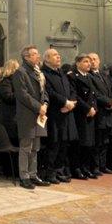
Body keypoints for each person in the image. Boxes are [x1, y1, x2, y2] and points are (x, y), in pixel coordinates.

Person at [13, 46, 49, 189]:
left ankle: (33, 174)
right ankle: (24, 176)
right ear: (26, 57)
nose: (38, 56)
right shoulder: (20, 72)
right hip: (27, 114)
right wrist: (38, 107)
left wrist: (45, 104)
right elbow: (22, 95)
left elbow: (44, 91)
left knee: (35, 147)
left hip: (40, 114)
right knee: (26, 147)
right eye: (35, 54)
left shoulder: (38, 72)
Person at [42, 48, 77, 182]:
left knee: (64, 144)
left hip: (67, 113)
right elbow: (49, 92)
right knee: (54, 145)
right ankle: (49, 173)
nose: (58, 57)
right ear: (47, 59)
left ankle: (59, 171)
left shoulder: (62, 72)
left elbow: (72, 89)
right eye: (55, 55)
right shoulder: (44, 73)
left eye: (58, 55)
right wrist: (64, 102)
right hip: (54, 114)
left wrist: (71, 102)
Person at [88, 53, 112, 174]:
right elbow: (95, 93)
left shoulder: (104, 75)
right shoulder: (89, 76)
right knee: (97, 141)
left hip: (108, 112)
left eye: (95, 59)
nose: (93, 61)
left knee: (105, 141)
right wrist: (108, 102)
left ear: (99, 61)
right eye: (90, 60)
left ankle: (103, 165)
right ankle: (95, 167)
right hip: (99, 112)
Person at [0, 60, 20, 145]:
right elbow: (8, 97)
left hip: (15, 117)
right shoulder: (6, 82)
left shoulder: (15, 81)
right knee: (11, 143)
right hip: (9, 118)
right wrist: (22, 93)